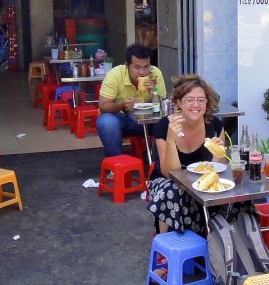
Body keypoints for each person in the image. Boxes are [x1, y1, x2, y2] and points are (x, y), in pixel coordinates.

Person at [146, 74, 253, 235]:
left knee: (234, 190)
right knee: (174, 190)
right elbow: (170, 173)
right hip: (167, 182)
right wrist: (170, 141)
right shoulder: (165, 126)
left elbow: (219, 167)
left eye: (201, 100)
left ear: (206, 103)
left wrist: (218, 153)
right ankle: (168, 239)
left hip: (202, 182)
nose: (196, 105)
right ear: (179, 102)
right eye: (189, 100)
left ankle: (229, 236)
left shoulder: (214, 125)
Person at [96, 44, 166, 157]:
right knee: (106, 122)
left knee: (168, 121)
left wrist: (154, 92)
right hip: (123, 120)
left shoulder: (155, 73)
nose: (142, 72)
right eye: (137, 67)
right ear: (127, 65)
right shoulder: (115, 75)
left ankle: (159, 164)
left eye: (146, 67)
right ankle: (117, 165)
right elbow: (103, 106)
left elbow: (163, 104)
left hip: (149, 120)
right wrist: (122, 104)